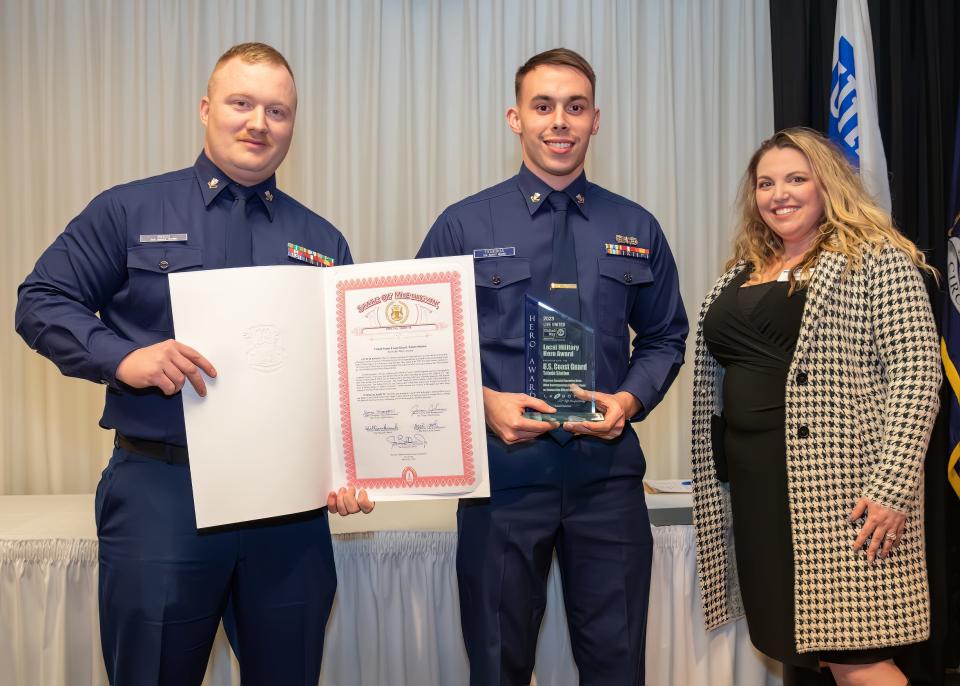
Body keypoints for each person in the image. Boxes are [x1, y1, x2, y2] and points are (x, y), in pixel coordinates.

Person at [15, 42, 372, 685]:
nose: (258, 123)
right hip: (162, 490)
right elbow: (40, 301)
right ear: (206, 108)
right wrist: (123, 358)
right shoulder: (128, 211)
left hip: (287, 511)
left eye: (278, 111)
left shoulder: (323, 241)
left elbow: (344, 373)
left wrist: (347, 466)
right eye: (241, 103)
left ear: (293, 124)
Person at [417, 48, 688, 685]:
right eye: (543, 106)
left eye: (574, 107)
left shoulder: (635, 226)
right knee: (498, 664)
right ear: (515, 118)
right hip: (504, 482)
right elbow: (425, 350)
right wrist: (484, 403)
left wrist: (629, 401)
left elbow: (665, 337)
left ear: (597, 119)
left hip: (608, 481)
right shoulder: (463, 225)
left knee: (618, 665)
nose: (559, 121)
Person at [691, 127, 940, 686]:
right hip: (758, 491)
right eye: (766, 183)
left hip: (844, 494)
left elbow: (918, 375)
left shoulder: (877, 259)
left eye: (796, 179)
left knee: (858, 659)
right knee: (799, 650)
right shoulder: (742, 269)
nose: (779, 193)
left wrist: (892, 487)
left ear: (827, 185)